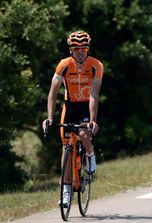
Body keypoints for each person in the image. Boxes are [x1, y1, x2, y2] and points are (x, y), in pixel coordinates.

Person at [42, 30, 103, 206]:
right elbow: (52, 94)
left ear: (88, 48)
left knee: (84, 134)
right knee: (66, 147)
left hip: (86, 105)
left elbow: (94, 95)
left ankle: (90, 154)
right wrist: (49, 117)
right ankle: (66, 190)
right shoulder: (64, 65)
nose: (80, 52)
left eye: (84, 48)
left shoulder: (96, 65)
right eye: (76, 49)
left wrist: (93, 119)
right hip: (70, 106)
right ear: (70, 50)